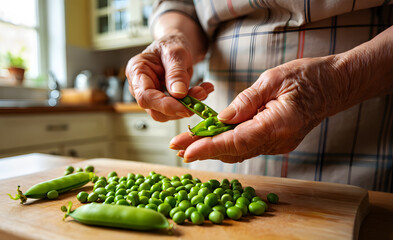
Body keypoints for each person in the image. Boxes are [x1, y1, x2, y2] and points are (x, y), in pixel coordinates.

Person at [126, 1, 393, 192]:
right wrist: (173, 36)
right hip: (222, 157)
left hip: (357, 145)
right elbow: (181, 5)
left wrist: (339, 80)